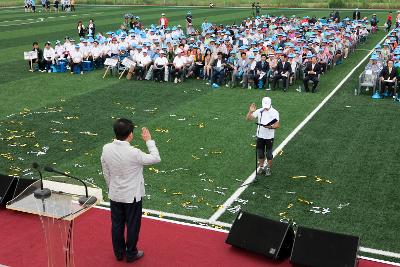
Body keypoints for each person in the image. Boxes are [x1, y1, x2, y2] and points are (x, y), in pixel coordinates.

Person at [101, 119, 161, 263]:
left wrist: (112, 187)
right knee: (133, 225)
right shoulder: (134, 153)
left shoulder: (106, 148)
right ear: (130, 134)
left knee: (117, 224)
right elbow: (155, 158)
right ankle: (131, 253)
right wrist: (149, 141)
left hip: (115, 194)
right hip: (132, 196)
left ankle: (118, 252)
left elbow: (106, 171)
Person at [246, 97, 280, 176]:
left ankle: (268, 168)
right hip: (260, 136)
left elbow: (277, 125)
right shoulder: (259, 111)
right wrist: (250, 111)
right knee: (260, 153)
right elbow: (248, 119)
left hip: (269, 137)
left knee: (269, 154)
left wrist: (270, 127)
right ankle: (261, 167)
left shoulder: (275, 112)